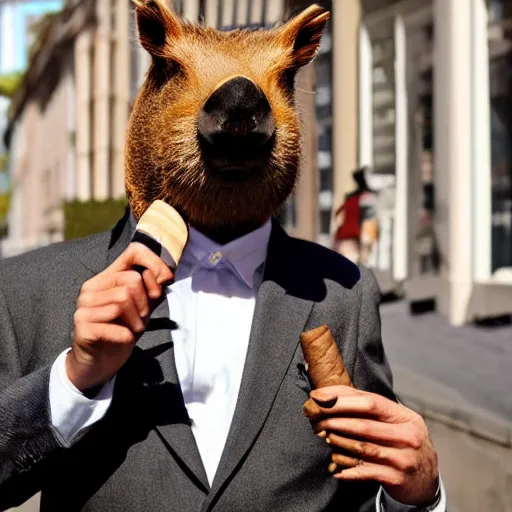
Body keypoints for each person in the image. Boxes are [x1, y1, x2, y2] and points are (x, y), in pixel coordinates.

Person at [0, 2, 445, 511]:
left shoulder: (343, 294)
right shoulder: (33, 289)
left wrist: (418, 495)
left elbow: (366, 483)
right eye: (175, 69)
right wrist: (71, 380)